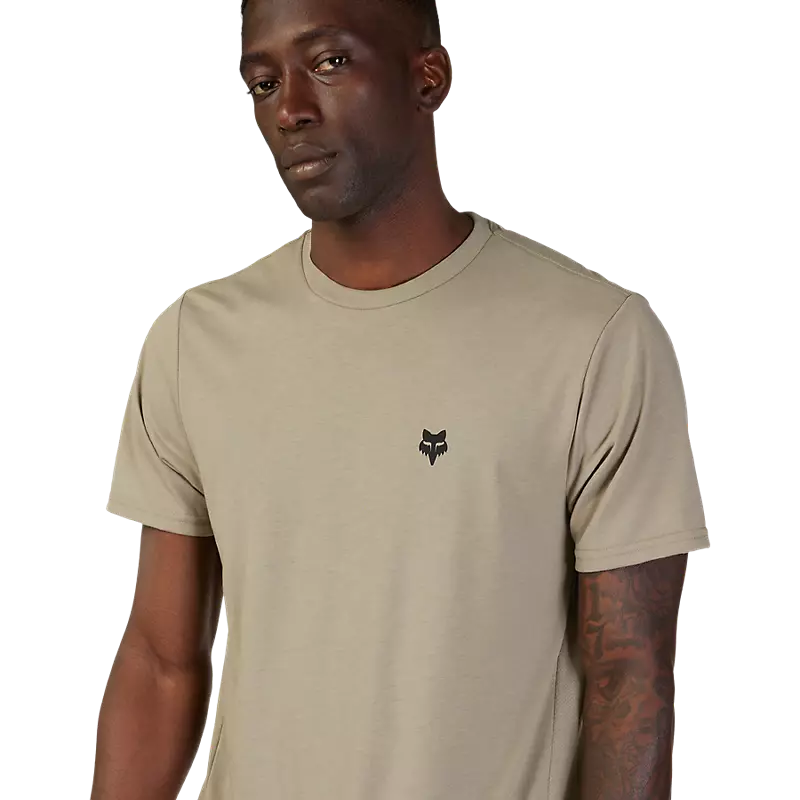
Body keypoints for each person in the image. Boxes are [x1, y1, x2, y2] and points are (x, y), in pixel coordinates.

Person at [90, 0, 711, 798]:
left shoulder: (593, 339)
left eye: (330, 62)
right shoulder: (196, 341)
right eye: (262, 82)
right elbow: (160, 661)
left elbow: (629, 679)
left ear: (429, 77)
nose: (290, 110)